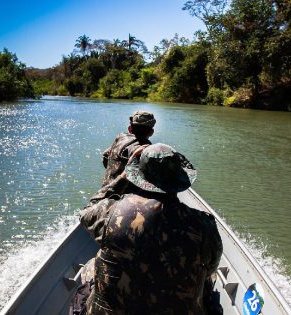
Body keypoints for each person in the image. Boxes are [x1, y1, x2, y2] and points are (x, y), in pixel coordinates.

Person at [80, 143, 223, 314]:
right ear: (179, 180)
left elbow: (87, 212)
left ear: (138, 177)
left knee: (90, 266)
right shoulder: (204, 226)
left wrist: (122, 177)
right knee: (210, 279)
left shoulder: (111, 212)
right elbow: (211, 268)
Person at [101, 111, 156, 187]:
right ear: (151, 132)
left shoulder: (121, 137)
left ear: (130, 129)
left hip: (105, 186)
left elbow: (105, 155)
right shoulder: (145, 149)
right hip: (122, 194)